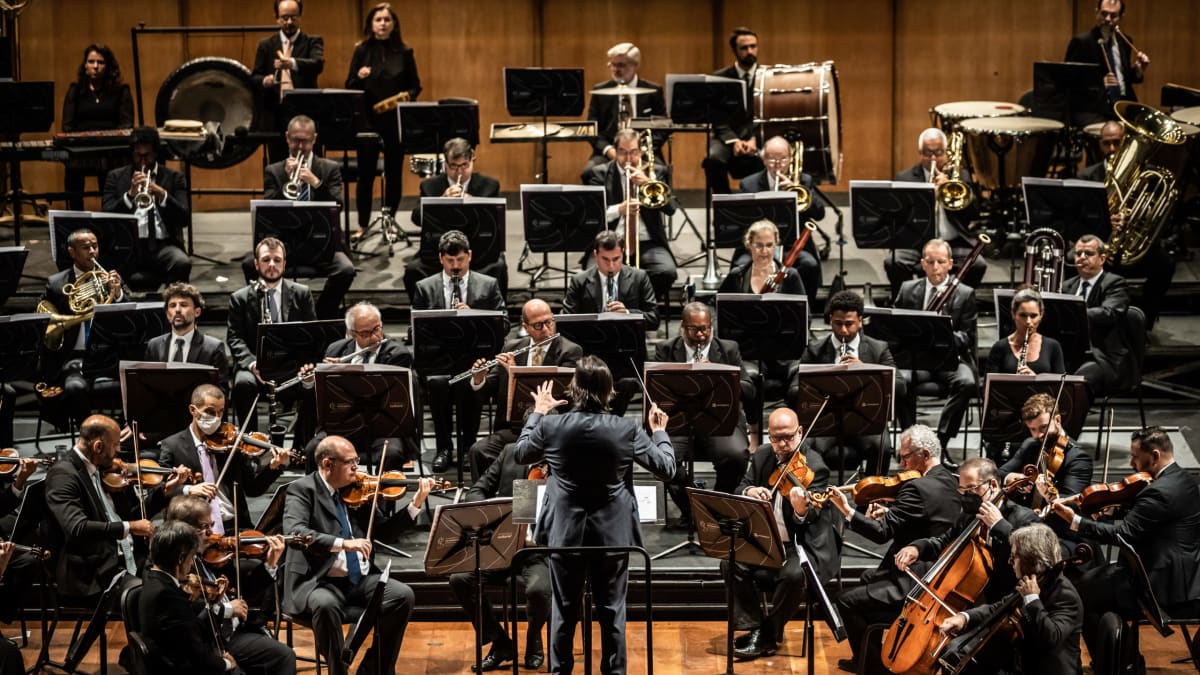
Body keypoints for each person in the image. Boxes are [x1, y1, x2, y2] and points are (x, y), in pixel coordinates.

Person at [513, 356, 675, 674]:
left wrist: (537, 413)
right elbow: (667, 468)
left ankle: (560, 671)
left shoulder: (550, 425)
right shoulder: (626, 429)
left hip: (564, 533)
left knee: (564, 610)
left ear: (573, 389)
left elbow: (521, 452)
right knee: (612, 611)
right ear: (609, 391)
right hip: (612, 535)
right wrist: (659, 432)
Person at [1050, 427, 1200, 674]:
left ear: (1154, 455)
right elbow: (1151, 520)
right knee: (1092, 589)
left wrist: (1074, 521)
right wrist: (1113, 510)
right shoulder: (1183, 479)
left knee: (1078, 597)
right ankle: (1122, 660)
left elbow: (1123, 535)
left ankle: (1115, 665)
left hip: (1160, 583)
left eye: (1134, 457)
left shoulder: (1159, 492)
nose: (1131, 463)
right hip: (1182, 572)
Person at [44, 414, 190, 665]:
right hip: (91, 572)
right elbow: (76, 527)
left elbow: (132, 515)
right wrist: (129, 527)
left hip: (121, 559)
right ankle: (145, 660)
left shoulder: (100, 471)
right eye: (114, 447)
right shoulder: (63, 475)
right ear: (98, 446)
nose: (117, 454)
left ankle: (171, 658)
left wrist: (165, 491)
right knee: (154, 598)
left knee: (175, 584)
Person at [282, 435, 427, 675]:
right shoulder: (302, 490)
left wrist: (415, 503)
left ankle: (374, 669)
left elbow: (386, 532)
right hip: (319, 580)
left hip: (358, 579)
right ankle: (338, 671)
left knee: (402, 595)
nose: (356, 468)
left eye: (357, 461)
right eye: (350, 462)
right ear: (328, 464)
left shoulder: (357, 490)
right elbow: (295, 533)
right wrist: (344, 544)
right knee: (326, 605)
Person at [827, 424, 961, 673]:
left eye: (906, 456)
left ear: (924, 454)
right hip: (939, 574)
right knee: (867, 578)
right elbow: (930, 520)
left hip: (914, 581)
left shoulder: (916, 488)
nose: (901, 464)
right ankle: (870, 657)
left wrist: (847, 511)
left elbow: (880, 534)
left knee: (845, 602)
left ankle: (872, 667)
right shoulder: (950, 481)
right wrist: (892, 513)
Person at [726, 407, 842, 660]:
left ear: (800, 432)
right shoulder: (763, 456)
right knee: (730, 561)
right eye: (776, 438)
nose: (783, 444)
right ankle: (755, 627)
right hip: (768, 541)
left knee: (793, 575)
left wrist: (801, 510)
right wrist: (750, 492)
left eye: (789, 437)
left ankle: (769, 634)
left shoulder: (816, 467)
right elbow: (741, 486)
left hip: (802, 544)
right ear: (769, 436)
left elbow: (813, 517)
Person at [163, 495, 296, 675]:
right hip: (212, 640)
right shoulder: (178, 566)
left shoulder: (208, 557)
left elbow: (246, 592)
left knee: (281, 654)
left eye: (211, 525)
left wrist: (270, 564)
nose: (212, 534)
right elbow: (192, 611)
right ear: (184, 529)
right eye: (204, 527)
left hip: (234, 630)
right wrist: (227, 608)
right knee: (283, 656)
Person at [447, 443, 551, 670]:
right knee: (461, 579)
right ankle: (501, 641)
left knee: (538, 590)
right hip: (505, 545)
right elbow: (477, 490)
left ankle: (534, 637)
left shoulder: (563, 459)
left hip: (542, 551)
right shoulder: (511, 453)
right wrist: (490, 514)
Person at [411, 229, 505, 474]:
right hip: (439, 360)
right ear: (441, 258)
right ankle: (444, 448)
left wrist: (472, 315)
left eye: (460, 260)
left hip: (475, 359)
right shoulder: (424, 287)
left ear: (470, 256)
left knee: (472, 382)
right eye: (450, 261)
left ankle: (467, 447)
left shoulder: (488, 284)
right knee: (438, 383)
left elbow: (503, 324)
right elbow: (415, 330)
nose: (456, 266)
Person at [939, 523, 1084, 675]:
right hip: (1022, 661)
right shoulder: (1032, 580)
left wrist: (1032, 599)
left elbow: (1050, 638)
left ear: (1032, 562)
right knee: (956, 654)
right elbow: (997, 608)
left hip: (1046, 669)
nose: (1010, 562)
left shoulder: (1066, 596)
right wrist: (964, 618)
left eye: (1014, 557)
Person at [895, 457, 1041, 605]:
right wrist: (917, 548)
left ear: (993, 484)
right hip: (966, 598)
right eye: (962, 490)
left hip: (1005, 602)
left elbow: (1034, 558)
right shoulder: (969, 515)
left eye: (971, 489)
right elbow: (944, 542)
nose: (965, 496)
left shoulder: (1024, 518)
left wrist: (999, 525)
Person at [251, 114, 355, 320]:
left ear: (314, 139)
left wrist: (315, 182)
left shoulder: (329, 169)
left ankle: (320, 315)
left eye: (305, 140)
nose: (300, 146)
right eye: (296, 140)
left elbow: (338, 206)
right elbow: (270, 210)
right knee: (249, 264)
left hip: (322, 242)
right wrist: (287, 182)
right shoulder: (274, 171)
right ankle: (273, 312)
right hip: (286, 243)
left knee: (346, 269)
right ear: (287, 138)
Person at [654, 302, 752, 520]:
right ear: (683, 327)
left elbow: (748, 388)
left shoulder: (728, 349)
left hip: (719, 419)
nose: (701, 335)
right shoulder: (666, 349)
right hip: (679, 420)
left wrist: (720, 375)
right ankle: (692, 508)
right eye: (694, 329)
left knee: (735, 456)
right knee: (661, 459)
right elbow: (656, 390)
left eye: (705, 328)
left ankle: (718, 503)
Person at [467, 298, 583, 479]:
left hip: (550, 428)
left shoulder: (570, 351)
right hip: (515, 427)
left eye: (549, 322)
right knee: (478, 450)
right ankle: (484, 501)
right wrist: (479, 378)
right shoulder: (512, 347)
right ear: (526, 327)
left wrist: (515, 372)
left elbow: (554, 392)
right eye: (538, 325)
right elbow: (489, 388)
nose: (545, 329)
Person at [1077, 122, 1175, 331]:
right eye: (1107, 144)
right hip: (1101, 246)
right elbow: (1079, 221)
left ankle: (1144, 323)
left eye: (1117, 143)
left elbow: (1160, 220)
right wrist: (1105, 226)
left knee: (1165, 264)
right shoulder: (1086, 177)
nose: (1112, 149)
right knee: (1073, 259)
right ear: (1100, 145)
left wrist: (1139, 218)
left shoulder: (1148, 178)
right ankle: (1088, 322)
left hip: (1131, 249)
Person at [791, 290, 900, 475]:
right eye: (837, 323)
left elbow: (900, 385)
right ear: (830, 318)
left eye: (849, 324)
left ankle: (870, 497)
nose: (843, 330)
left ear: (860, 320)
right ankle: (817, 494)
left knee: (882, 446)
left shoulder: (878, 349)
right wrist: (821, 379)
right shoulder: (814, 350)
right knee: (804, 445)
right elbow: (794, 389)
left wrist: (866, 370)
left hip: (863, 419)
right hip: (826, 419)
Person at [158, 384, 290, 534]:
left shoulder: (231, 445)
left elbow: (253, 489)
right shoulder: (172, 445)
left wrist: (274, 467)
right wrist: (189, 489)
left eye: (220, 412)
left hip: (234, 526)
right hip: (195, 530)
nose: (216, 418)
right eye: (210, 411)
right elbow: (162, 491)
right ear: (193, 410)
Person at [302, 302, 417, 470]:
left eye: (376, 329)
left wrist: (343, 369)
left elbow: (377, 385)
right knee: (313, 449)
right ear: (352, 334)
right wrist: (311, 381)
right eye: (365, 333)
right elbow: (323, 400)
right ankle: (318, 495)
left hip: (383, 430)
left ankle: (382, 497)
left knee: (392, 453)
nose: (373, 337)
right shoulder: (335, 350)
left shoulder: (398, 353)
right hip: (343, 426)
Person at [560, 230, 659, 416]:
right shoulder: (579, 281)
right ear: (596, 255)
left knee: (627, 384)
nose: (612, 265)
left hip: (626, 355)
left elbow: (654, 318)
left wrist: (629, 313)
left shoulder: (639, 278)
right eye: (606, 259)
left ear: (623, 253)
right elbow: (566, 320)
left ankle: (611, 421)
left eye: (617, 258)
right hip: (591, 354)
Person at [893, 239, 979, 451]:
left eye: (940, 262)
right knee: (898, 381)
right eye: (930, 262)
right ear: (922, 263)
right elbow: (895, 326)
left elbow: (967, 336)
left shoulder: (965, 293)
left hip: (949, 360)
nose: (935, 267)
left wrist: (940, 333)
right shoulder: (907, 289)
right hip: (917, 359)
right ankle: (911, 442)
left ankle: (941, 441)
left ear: (950, 264)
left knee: (967, 382)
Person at [345, 2, 421, 241]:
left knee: (393, 172)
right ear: (371, 24)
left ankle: (390, 221)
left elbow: (415, 86)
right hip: (367, 120)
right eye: (378, 20)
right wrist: (359, 77)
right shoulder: (361, 51)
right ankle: (363, 224)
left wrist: (405, 97)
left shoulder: (405, 52)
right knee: (365, 174)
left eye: (387, 19)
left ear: (394, 24)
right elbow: (350, 86)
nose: (383, 24)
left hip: (394, 120)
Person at [227, 237, 317, 434]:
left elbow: (312, 334)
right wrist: (252, 364)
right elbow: (235, 338)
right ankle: (250, 446)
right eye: (266, 260)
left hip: (291, 365)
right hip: (256, 367)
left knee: (314, 383)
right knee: (243, 383)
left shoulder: (302, 294)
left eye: (277, 260)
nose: (272, 265)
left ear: (284, 263)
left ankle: (300, 448)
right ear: (256, 264)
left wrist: (304, 364)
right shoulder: (240, 298)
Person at [39, 228, 126, 427]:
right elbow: (45, 319)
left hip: (107, 356)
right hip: (75, 358)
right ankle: (87, 434)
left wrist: (118, 293)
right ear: (72, 252)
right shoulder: (56, 283)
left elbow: (127, 318)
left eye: (95, 246)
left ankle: (122, 435)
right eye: (86, 248)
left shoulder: (108, 278)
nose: (93, 252)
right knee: (74, 388)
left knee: (136, 383)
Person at [886, 127, 985, 298]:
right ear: (920, 152)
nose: (933, 158)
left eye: (938, 152)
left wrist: (949, 190)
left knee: (978, 265)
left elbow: (974, 214)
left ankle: (956, 300)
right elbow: (898, 215)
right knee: (894, 262)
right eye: (927, 152)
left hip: (953, 241)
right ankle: (906, 302)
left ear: (946, 152)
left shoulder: (961, 176)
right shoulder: (905, 178)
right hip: (917, 243)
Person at [405, 137, 506, 302]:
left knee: (499, 267)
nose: (459, 172)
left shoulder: (489, 185)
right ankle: (422, 318)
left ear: (472, 160)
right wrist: (441, 200)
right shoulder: (430, 186)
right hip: (441, 252)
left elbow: (496, 222)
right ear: (445, 163)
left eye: (464, 165)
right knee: (412, 270)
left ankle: (496, 317)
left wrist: (473, 203)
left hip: (477, 252)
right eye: (453, 166)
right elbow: (416, 218)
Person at [584, 127, 678, 301]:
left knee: (666, 272)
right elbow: (591, 216)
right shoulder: (599, 174)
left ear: (640, 151)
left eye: (633, 152)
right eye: (623, 153)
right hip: (610, 241)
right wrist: (619, 209)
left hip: (647, 242)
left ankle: (642, 309)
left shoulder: (657, 172)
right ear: (615, 151)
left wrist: (649, 183)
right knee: (591, 278)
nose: (628, 159)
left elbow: (671, 208)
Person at [999, 393, 1093, 557]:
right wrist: (1013, 478)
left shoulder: (1078, 458)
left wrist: (1047, 495)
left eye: (1043, 428)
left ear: (1057, 420)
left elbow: (1070, 505)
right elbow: (1000, 473)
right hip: (1028, 522)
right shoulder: (1031, 445)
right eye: (1032, 429)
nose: (1037, 436)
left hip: (1058, 531)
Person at [139, 521, 240, 674]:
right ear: (181, 558)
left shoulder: (154, 581)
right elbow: (196, 655)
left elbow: (186, 629)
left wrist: (212, 605)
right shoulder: (167, 596)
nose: (191, 563)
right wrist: (225, 664)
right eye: (191, 557)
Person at [735, 136, 826, 303]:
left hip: (793, 246)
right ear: (763, 159)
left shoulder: (803, 180)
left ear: (791, 159)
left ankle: (805, 312)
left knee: (809, 265)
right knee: (740, 266)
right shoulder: (749, 184)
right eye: (771, 158)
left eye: (783, 158)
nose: (778, 163)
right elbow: (741, 222)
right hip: (759, 246)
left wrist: (796, 189)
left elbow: (820, 214)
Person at [101, 125, 192, 288]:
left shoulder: (174, 177)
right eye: (137, 155)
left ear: (156, 153)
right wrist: (129, 196)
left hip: (163, 245)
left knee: (181, 262)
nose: (142, 161)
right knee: (103, 265)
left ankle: (170, 306)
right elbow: (106, 216)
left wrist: (162, 194)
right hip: (127, 246)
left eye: (147, 155)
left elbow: (184, 218)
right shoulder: (115, 177)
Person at [61, 44, 134, 211]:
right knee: (73, 176)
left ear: (108, 66)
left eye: (100, 62)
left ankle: (110, 223)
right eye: (91, 61)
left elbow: (127, 125)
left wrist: (105, 141)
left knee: (109, 182)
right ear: (85, 65)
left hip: (110, 153)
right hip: (80, 153)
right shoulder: (75, 91)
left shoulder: (121, 91)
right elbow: (67, 126)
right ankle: (75, 222)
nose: (95, 66)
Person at [251, 0, 325, 162]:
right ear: (277, 18)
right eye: (285, 18)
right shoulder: (266, 45)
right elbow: (254, 77)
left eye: (293, 17)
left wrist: (291, 63)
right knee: (278, 164)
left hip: (305, 112)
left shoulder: (313, 41)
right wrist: (265, 80)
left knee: (310, 162)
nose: (289, 22)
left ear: (300, 17)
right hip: (277, 114)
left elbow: (317, 64)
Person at [581, 42, 667, 180]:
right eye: (612, 65)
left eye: (621, 65)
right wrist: (610, 150)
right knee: (589, 173)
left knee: (662, 172)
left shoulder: (654, 91)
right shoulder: (600, 90)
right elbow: (593, 129)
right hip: (608, 151)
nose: (615, 69)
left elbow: (662, 127)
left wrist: (640, 151)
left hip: (644, 151)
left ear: (635, 65)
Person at [1062, 235, 1132, 401]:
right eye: (1078, 254)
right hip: (1071, 354)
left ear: (1102, 258)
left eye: (1088, 253)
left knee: (1079, 383)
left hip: (1102, 356)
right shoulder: (1067, 286)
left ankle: (1069, 426)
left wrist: (1074, 312)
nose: (1082, 258)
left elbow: (1109, 313)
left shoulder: (1115, 283)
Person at [1065, 0, 1149, 123]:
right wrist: (1100, 83)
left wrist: (1138, 71)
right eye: (1104, 14)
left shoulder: (1124, 41)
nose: (1108, 19)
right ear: (1096, 12)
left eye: (1113, 16)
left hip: (1123, 105)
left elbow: (1122, 78)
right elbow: (1068, 81)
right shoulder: (1081, 42)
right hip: (1094, 109)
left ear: (1121, 17)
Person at [703, 27, 763, 193]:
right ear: (734, 51)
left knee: (773, 157)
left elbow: (770, 113)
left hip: (758, 136)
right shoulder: (719, 77)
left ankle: (761, 210)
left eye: (753, 46)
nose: (750, 51)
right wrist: (733, 141)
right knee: (712, 160)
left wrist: (755, 139)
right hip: (727, 138)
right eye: (744, 48)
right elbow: (716, 117)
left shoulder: (767, 76)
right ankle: (725, 210)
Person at [144, 282, 229, 372]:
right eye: (172, 305)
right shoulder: (154, 346)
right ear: (167, 314)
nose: (177, 310)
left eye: (183, 305)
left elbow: (220, 385)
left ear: (197, 312)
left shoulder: (213, 348)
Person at [985, 287, 1066, 376]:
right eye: (1023, 315)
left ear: (1041, 316)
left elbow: (1061, 387)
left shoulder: (1053, 346)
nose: (1028, 321)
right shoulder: (1000, 348)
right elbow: (989, 386)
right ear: (1013, 314)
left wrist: (1034, 380)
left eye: (1033, 316)